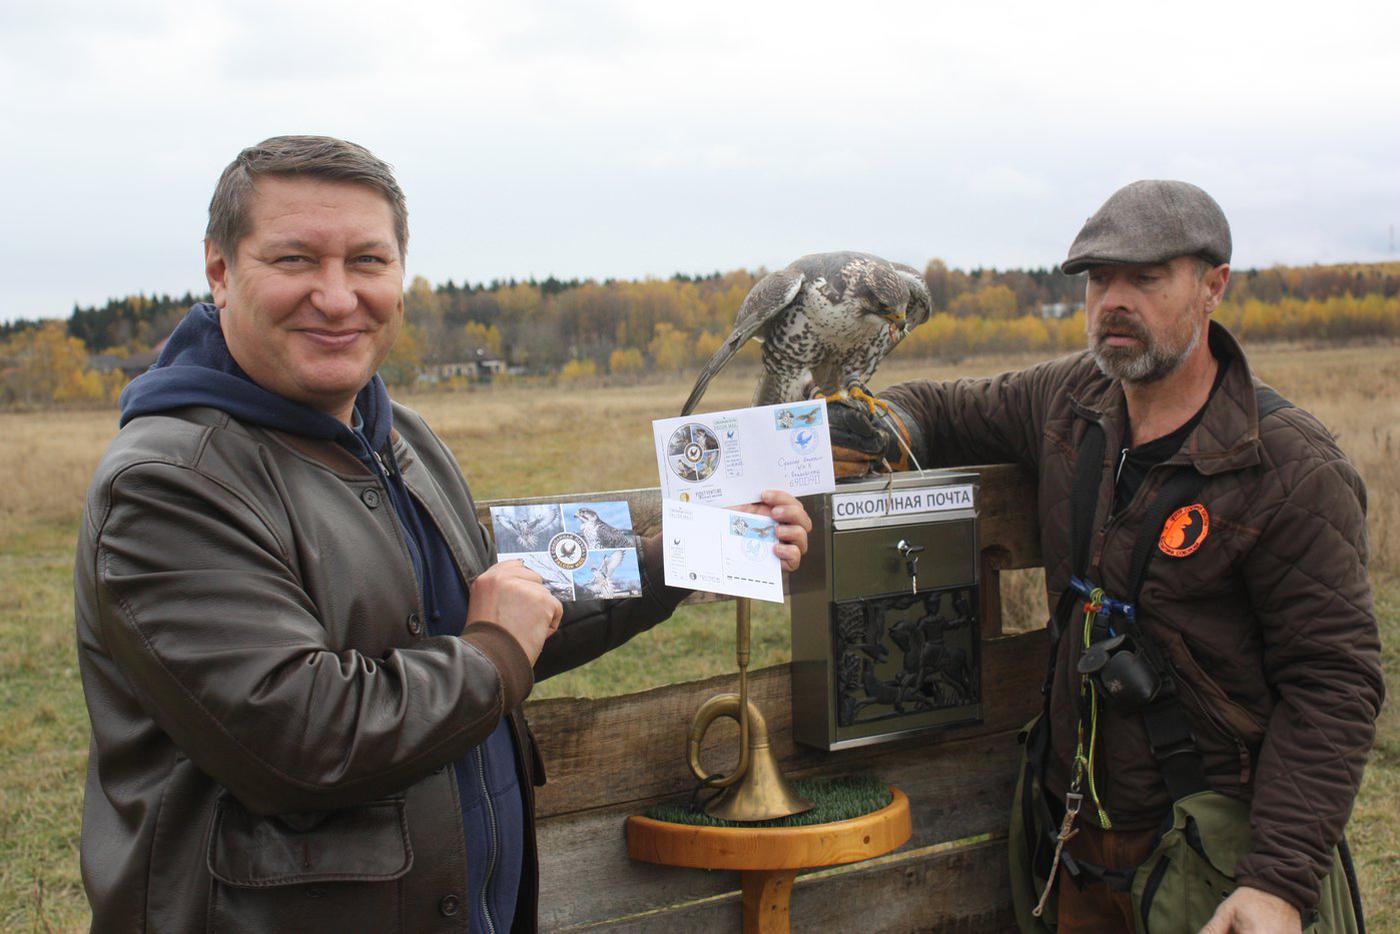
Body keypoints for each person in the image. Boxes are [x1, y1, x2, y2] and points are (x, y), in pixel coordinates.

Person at [73, 135, 811, 933]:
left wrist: (682, 555)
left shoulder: (398, 436)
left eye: (367, 261)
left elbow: (511, 591)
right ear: (220, 271)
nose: (335, 295)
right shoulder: (171, 484)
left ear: (400, 275)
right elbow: (301, 735)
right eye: (294, 260)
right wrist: (492, 651)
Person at [829, 180, 1382, 932]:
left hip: (1212, 866)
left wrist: (1278, 884)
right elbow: (943, 408)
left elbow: (1333, 686)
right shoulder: (1071, 400)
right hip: (1075, 846)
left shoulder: (1289, 471)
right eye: (1098, 280)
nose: (1113, 301)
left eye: (1145, 279)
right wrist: (873, 430)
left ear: (1213, 286)